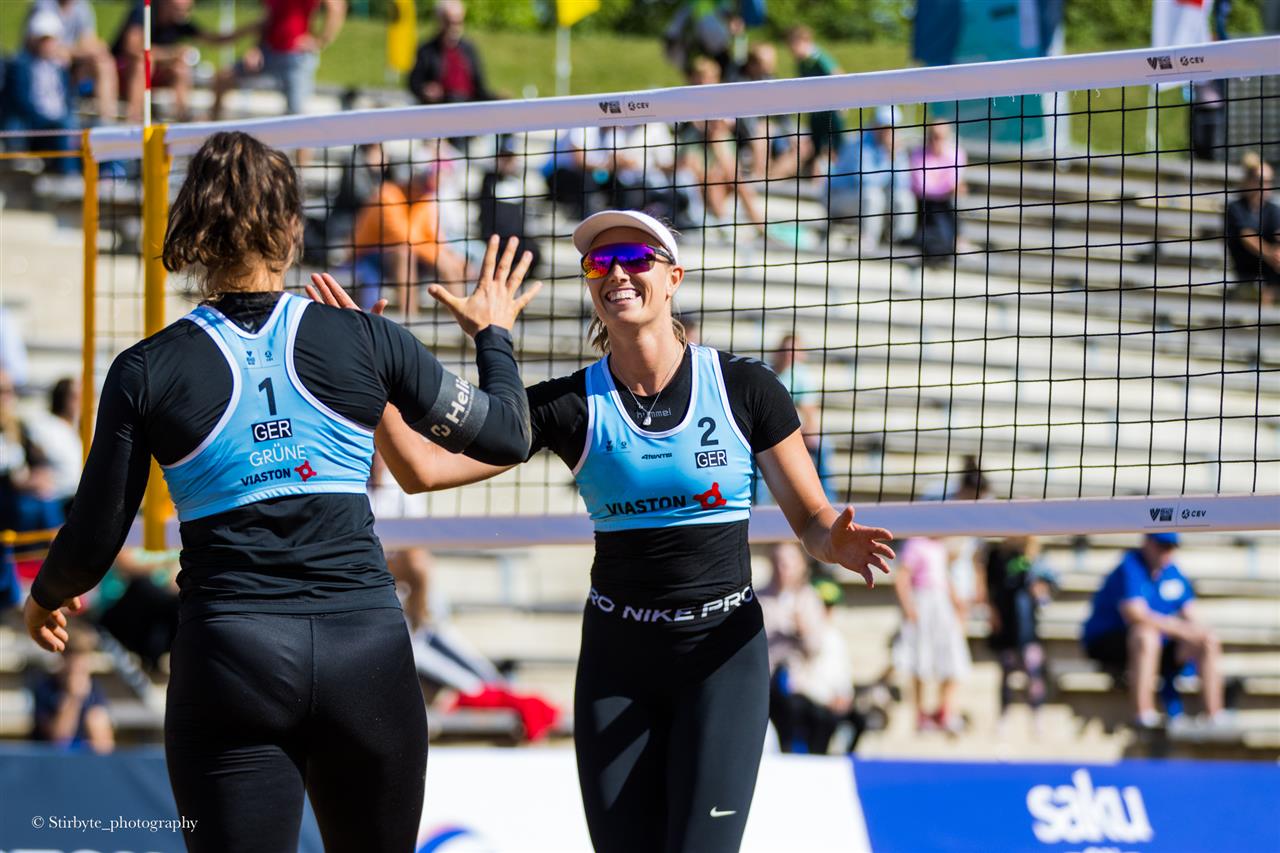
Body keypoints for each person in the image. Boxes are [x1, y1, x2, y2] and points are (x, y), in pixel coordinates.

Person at [314, 208, 895, 853]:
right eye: (599, 262)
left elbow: (811, 520)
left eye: (636, 258)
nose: (616, 272)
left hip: (720, 656)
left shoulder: (744, 387)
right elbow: (422, 469)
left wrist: (833, 540)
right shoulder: (570, 405)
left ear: (673, 277)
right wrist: (371, 371)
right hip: (619, 659)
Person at [23, 130, 541, 852]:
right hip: (364, 647)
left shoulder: (145, 369)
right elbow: (508, 434)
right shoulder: (365, 339)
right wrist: (492, 334)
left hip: (234, 653)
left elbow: (93, 536)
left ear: (191, 229)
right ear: (293, 228)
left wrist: (46, 595)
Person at [1081, 533, 1226, 729]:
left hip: (1159, 643)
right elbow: (1135, 614)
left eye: (1170, 547)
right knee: (1146, 636)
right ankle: (1144, 714)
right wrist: (1180, 629)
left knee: (1208, 639)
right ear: (1148, 543)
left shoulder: (1172, 572)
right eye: (1162, 546)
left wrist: (1199, 633)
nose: (1166, 552)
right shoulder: (1130, 566)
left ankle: (1214, 715)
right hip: (1109, 641)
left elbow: (1191, 614)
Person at [112, 0, 257, 123]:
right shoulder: (144, 11)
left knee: (180, 69)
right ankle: (134, 119)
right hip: (124, 71)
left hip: (156, 75)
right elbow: (132, 47)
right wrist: (171, 53)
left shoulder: (179, 21)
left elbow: (215, 39)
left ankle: (182, 118)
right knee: (143, 63)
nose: (186, 11)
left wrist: (247, 30)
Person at [211, 0, 347, 120]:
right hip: (268, 53)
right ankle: (215, 132)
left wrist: (321, 41)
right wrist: (256, 48)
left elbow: (337, 6)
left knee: (297, 118)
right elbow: (268, 20)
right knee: (224, 77)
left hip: (295, 58)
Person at [892, 536, 971, 733]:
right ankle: (920, 714)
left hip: (941, 605)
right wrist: (908, 606)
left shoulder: (940, 547)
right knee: (920, 660)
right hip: (923, 604)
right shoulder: (915, 543)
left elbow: (945, 578)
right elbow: (902, 576)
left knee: (951, 657)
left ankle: (944, 710)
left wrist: (956, 602)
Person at [981, 536, 1055, 734]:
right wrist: (992, 613)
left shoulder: (1035, 558)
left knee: (1033, 671)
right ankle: (1004, 716)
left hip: (1027, 624)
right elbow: (990, 587)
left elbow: (1046, 590)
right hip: (1006, 622)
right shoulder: (997, 555)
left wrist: (1040, 589)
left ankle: (1036, 716)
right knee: (1006, 670)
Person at [4, 11, 78, 175]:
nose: (48, 45)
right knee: (65, 126)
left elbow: (67, 99)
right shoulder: (20, 65)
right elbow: (21, 101)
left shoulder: (59, 68)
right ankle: (68, 175)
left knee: (82, 127)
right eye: (44, 40)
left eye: (51, 40)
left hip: (59, 122)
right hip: (35, 124)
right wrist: (50, 119)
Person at [24, 0, 118, 122]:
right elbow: (45, 46)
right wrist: (75, 51)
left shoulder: (82, 7)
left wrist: (73, 52)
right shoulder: (43, 6)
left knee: (104, 63)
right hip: (42, 61)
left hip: (71, 60)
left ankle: (107, 120)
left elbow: (88, 42)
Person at [30, 626, 115, 753]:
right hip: (49, 760)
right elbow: (58, 741)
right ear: (63, 658)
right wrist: (73, 698)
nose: (79, 666)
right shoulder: (45, 688)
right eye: (74, 658)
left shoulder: (94, 689)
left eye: (83, 658)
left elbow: (105, 747)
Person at [407, 0, 494, 107]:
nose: (454, 27)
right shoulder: (427, 51)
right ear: (440, 21)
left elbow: (480, 87)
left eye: (458, 22)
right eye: (449, 22)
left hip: (469, 107)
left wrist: (496, 98)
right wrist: (425, 90)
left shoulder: (469, 49)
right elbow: (413, 83)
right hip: (441, 108)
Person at [785, 26, 844, 176]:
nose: (791, 50)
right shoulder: (801, 63)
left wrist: (842, 101)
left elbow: (837, 74)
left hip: (831, 111)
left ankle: (838, 175)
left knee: (835, 146)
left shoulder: (820, 58)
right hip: (815, 111)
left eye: (793, 45)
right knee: (816, 145)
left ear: (804, 41)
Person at [1224, 153, 1280, 306]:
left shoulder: (1273, 209)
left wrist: (1277, 254)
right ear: (1248, 181)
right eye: (1260, 180)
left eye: (1269, 181)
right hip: (1246, 274)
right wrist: (1270, 254)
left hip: (1272, 272)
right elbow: (1246, 236)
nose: (1265, 186)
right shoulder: (1235, 208)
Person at [909, 121, 968, 259]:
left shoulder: (956, 154)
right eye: (933, 136)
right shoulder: (918, 153)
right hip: (923, 204)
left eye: (940, 137)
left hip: (945, 204)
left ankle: (958, 240)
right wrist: (943, 187)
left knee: (958, 200)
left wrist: (940, 187)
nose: (936, 140)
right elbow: (920, 184)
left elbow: (954, 182)